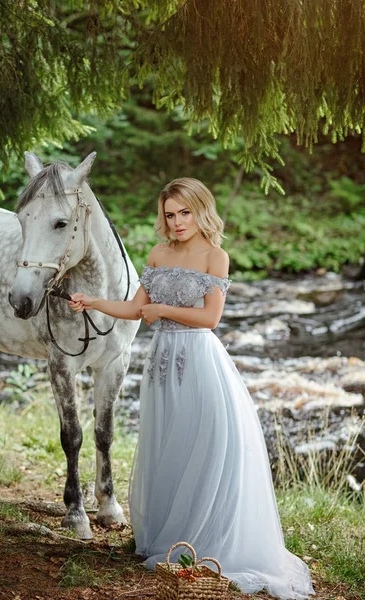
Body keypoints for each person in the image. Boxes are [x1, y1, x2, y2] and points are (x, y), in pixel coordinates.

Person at [69, 178, 315, 600]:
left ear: (201, 211)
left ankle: (209, 538)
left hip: (198, 360)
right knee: (169, 445)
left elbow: (210, 319)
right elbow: (133, 307)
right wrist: (92, 301)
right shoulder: (158, 254)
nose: (178, 222)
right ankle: (174, 535)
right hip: (161, 365)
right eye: (170, 214)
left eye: (185, 212)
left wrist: (163, 309)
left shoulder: (215, 256)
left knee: (203, 442)